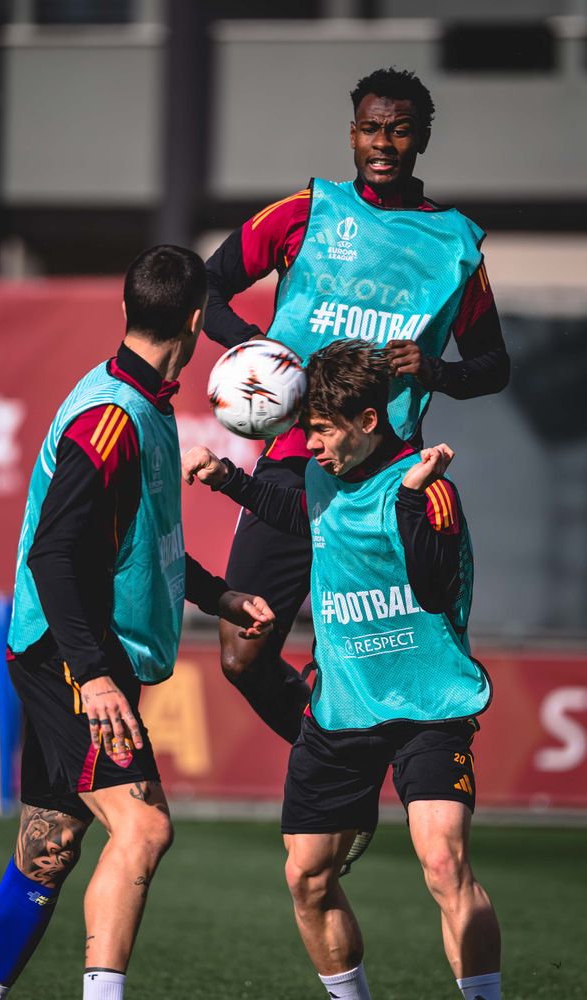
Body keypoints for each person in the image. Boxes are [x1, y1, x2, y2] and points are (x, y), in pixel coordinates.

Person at [0, 246, 275, 1000]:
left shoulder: (145, 404)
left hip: (75, 653)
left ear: (127, 309)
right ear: (198, 321)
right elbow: (52, 556)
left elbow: (144, 544)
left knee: (50, 847)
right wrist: (94, 675)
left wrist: (219, 595)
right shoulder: (111, 419)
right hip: (74, 658)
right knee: (144, 829)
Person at [203, 67, 510, 769]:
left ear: (421, 139)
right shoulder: (307, 211)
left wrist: (436, 372)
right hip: (290, 469)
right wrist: (251, 347)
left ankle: (381, 779)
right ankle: (341, 764)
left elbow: (494, 366)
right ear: (352, 134)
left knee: (380, 667)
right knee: (242, 652)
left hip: (386, 488)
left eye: (399, 129)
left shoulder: (456, 246)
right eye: (371, 128)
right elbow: (209, 283)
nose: (384, 143)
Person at [182, 339, 502, 1000]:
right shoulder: (320, 480)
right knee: (307, 877)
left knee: (443, 861)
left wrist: (411, 500)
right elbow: (300, 514)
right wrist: (227, 477)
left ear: (368, 422)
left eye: (323, 432)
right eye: (306, 432)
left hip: (428, 708)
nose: (312, 446)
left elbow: (438, 590)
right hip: (341, 709)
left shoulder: (430, 488)